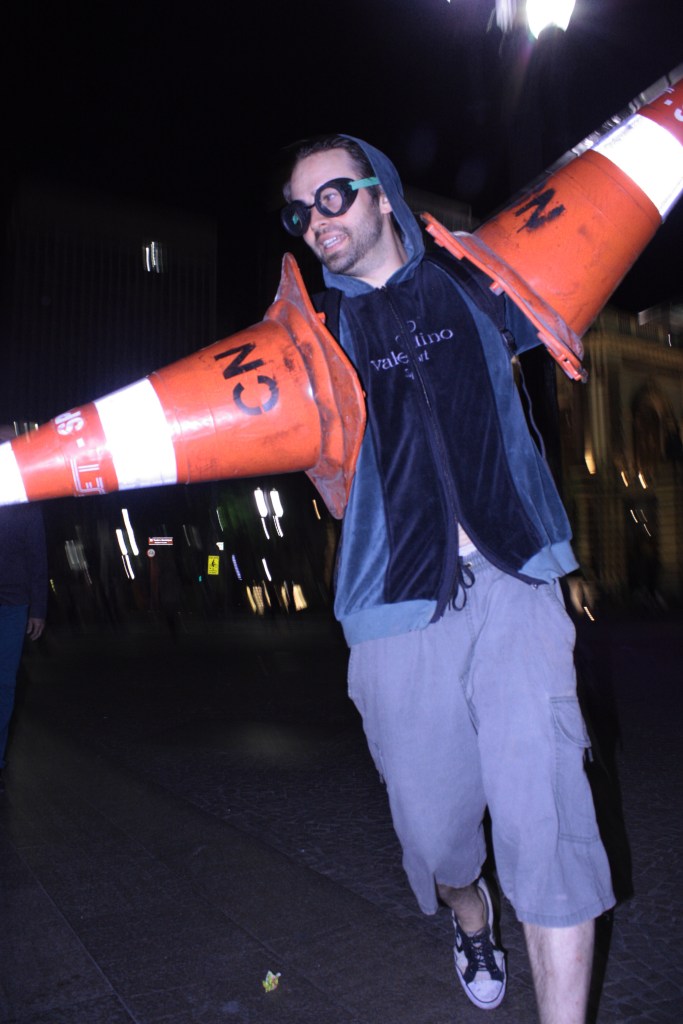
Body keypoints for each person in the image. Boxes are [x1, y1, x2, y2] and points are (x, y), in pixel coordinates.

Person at [280, 136, 615, 1022]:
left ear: (382, 195)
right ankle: (471, 917)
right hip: (395, 606)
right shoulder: (315, 340)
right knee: (435, 837)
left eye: (334, 197)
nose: (317, 222)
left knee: (546, 818)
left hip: (512, 584)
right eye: (299, 211)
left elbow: (578, 264)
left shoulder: (475, 282)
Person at [0, 425, 48, 791]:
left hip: (13, 604)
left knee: (4, 684)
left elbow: (37, 554)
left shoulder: (26, 498)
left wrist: (38, 608)